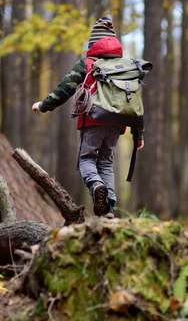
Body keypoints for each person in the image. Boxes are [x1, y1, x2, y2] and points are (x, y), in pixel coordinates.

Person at [32, 16, 144, 218]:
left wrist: (43, 105)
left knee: (87, 159)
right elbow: (134, 103)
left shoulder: (87, 63)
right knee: (106, 163)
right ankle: (108, 209)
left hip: (93, 120)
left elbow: (65, 88)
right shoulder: (126, 66)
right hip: (117, 125)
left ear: (92, 44)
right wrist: (139, 135)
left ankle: (96, 185)